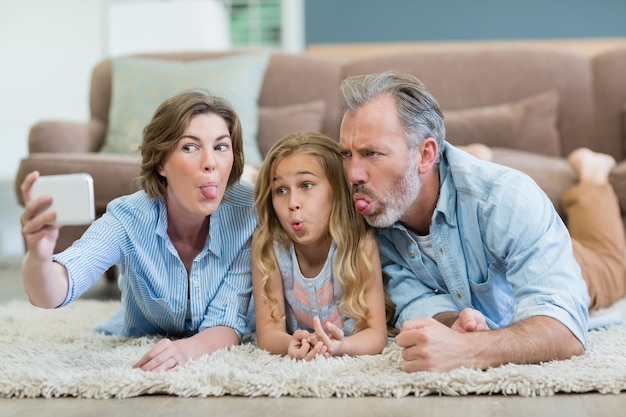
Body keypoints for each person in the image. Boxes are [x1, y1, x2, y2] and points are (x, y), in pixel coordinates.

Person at [337, 71, 626, 373]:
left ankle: (593, 176)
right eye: (346, 154)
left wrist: (467, 349)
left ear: (425, 154)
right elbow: (412, 300)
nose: (353, 173)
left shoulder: (505, 197)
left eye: (372, 153)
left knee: (611, 263)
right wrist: (454, 323)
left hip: (576, 260)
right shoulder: (372, 216)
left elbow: (565, 328)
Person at [19, 90, 257, 372]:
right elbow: (52, 293)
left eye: (221, 147)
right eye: (190, 147)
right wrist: (39, 257)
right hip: (134, 330)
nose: (211, 163)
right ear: (160, 163)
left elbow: (227, 322)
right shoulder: (127, 217)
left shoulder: (249, 213)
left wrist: (184, 351)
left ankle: (252, 172)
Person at [251, 132, 388, 360]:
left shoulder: (359, 240)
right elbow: (268, 332)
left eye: (306, 185)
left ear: (337, 191)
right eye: (281, 190)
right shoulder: (269, 242)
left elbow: (376, 334)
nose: (293, 203)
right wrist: (289, 343)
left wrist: (341, 347)